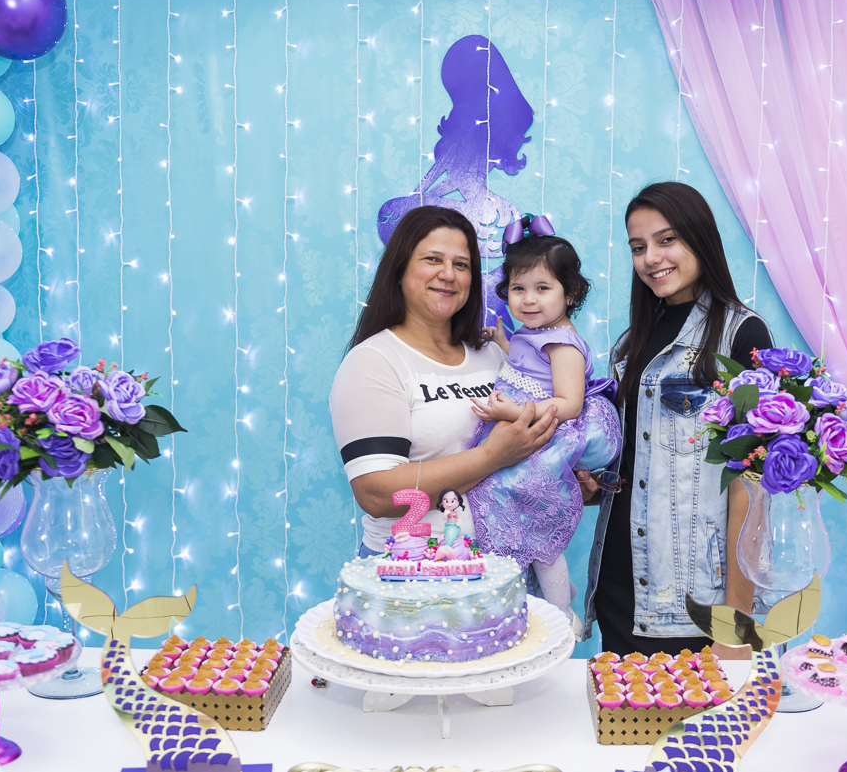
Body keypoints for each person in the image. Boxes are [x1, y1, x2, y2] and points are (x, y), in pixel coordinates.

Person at [581, 182, 773, 658]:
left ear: (699, 238)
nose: (651, 258)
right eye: (638, 247)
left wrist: (736, 622)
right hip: (620, 580)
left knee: (700, 710)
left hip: (694, 595)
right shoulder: (631, 343)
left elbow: (751, 486)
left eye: (666, 240)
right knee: (625, 706)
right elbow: (644, 463)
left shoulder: (741, 334)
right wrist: (595, 482)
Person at [330, 206, 558, 558]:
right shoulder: (374, 361)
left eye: (462, 265)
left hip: (499, 566)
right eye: (432, 259)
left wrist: (570, 477)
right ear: (399, 269)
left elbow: (527, 446)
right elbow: (376, 493)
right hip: (413, 570)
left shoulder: (492, 355)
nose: (448, 274)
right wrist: (491, 456)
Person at [466, 217, 621, 629]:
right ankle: (552, 592)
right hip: (524, 433)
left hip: (543, 440)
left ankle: (560, 614)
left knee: (534, 530)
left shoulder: (562, 343)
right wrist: (503, 342)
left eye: (542, 288)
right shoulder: (534, 331)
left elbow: (568, 404)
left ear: (570, 293)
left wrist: (511, 414)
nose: (528, 300)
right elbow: (527, 368)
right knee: (506, 516)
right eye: (518, 289)